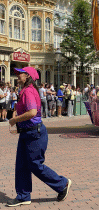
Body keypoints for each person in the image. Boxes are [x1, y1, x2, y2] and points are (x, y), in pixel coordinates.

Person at [7, 66, 71, 207]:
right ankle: (23, 196)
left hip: (34, 133)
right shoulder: (24, 90)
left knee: (35, 164)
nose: (18, 75)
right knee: (22, 165)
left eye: (21, 74)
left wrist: (14, 120)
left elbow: (32, 112)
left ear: (28, 77)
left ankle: (62, 184)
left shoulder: (29, 91)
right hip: (27, 132)